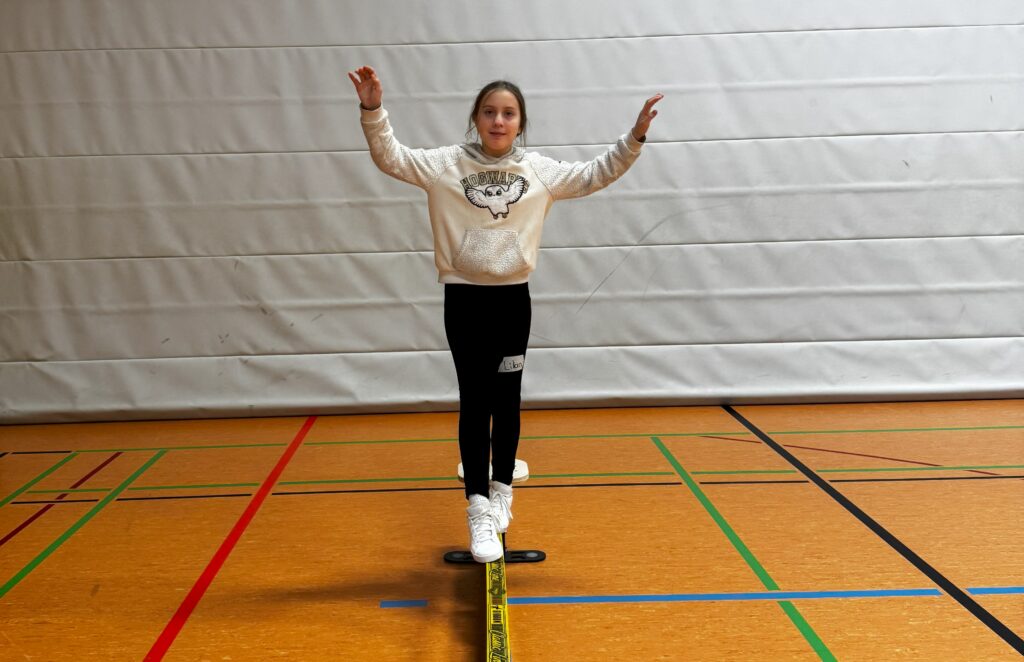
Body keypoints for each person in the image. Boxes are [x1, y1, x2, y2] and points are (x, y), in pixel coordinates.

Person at [348, 65, 662, 562]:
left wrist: (635, 137)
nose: (499, 120)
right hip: (465, 300)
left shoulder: (537, 171)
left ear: (520, 123)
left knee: (508, 398)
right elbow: (391, 157)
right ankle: (477, 510)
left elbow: (594, 173)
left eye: (508, 114)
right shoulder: (445, 166)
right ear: (476, 119)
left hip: (513, 301)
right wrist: (372, 109)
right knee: (475, 401)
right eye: (490, 112)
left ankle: (501, 495)